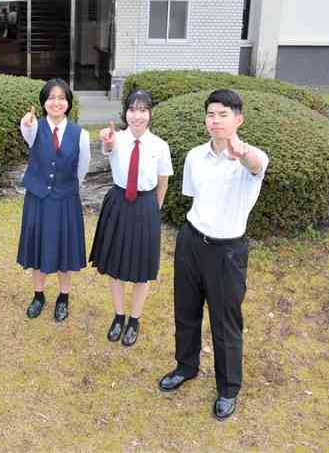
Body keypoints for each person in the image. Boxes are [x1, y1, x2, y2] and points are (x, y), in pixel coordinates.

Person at [157, 89, 269, 422]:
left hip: (227, 251)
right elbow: (194, 197)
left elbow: (257, 164)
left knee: (226, 321)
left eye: (223, 114)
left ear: (238, 119)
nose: (216, 120)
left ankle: (228, 388)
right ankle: (185, 366)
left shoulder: (251, 158)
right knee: (186, 311)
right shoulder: (194, 156)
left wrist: (241, 151)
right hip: (192, 241)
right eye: (211, 114)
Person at [89, 89, 172, 345]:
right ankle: (118, 315)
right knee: (115, 264)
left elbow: (163, 183)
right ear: (125, 112)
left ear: (150, 114)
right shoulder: (117, 138)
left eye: (143, 110)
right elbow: (107, 146)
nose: (137, 115)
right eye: (133, 109)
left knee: (141, 268)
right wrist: (107, 140)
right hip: (118, 202)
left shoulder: (160, 145)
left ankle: (134, 319)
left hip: (146, 205)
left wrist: (152, 211)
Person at [17, 79, 90, 322]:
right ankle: (38, 295)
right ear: (44, 102)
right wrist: (26, 123)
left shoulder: (80, 135)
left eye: (61, 98)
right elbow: (26, 131)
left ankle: (63, 297)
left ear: (68, 103)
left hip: (65, 199)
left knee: (64, 250)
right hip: (38, 198)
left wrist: (65, 189)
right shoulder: (34, 127)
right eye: (51, 98)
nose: (56, 102)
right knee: (38, 247)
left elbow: (81, 170)